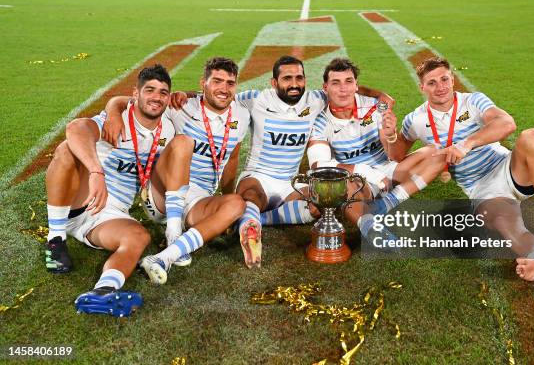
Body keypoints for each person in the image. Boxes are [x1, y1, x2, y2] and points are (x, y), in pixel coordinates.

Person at [171, 55, 393, 268]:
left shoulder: (315, 99)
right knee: (251, 196)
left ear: (305, 80)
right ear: (274, 82)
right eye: (287, 78)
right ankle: (250, 228)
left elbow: (343, 89)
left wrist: (377, 94)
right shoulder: (255, 100)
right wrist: (185, 94)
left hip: (290, 181)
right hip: (258, 176)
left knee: (319, 204)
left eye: (299, 78)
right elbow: (220, 95)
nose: (294, 84)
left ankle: (258, 220)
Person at [390, 56, 534, 284]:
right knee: (504, 221)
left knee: (532, 136)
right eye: (432, 83)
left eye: (444, 79)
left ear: (452, 80)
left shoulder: (472, 101)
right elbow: (396, 156)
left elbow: (506, 123)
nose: (440, 87)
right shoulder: (415, 120)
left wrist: (466, 144)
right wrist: (391, 135)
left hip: (507, 168)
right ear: (422, 88)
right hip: (481, 188)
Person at [103, 58, 250, 282]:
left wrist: (226, 196)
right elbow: (135, 101)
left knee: (238, 204)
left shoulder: (241, 115)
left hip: (199, 197)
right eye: (217, 81)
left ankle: (164, 257)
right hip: (161, 192)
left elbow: (232, 159)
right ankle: (173, 233)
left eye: (230, 83)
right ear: (203, 83)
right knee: (183, 142)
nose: (224, 88)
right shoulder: (179, 106)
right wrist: (113, 110)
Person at [44, 65, 175, 316]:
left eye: (163, 92)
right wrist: (96, 171)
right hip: (80, 199)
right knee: (66, 149)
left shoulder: (168, 128)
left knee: (139, 237)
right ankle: (55, 240)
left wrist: (183, 95)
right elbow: (77, 128)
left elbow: (198, 98)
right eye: (149, 90)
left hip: (110, 215)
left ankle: (102, 291)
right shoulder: (118, 118)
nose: (157, 97)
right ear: (135, 94)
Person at [307, 58, 447, 242]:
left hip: (389, 170)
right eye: (336, 83)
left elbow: (395, 154)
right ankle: (372, 230)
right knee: (340, 186)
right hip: (358, 181)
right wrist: (363, 171)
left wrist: (390, 135)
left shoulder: (375, 105)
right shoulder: (320, 121)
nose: (343, 88)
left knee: (439, 153)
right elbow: (319, 165)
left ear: (356, 85)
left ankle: (387, 203)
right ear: (325, 87)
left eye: (349, 81)